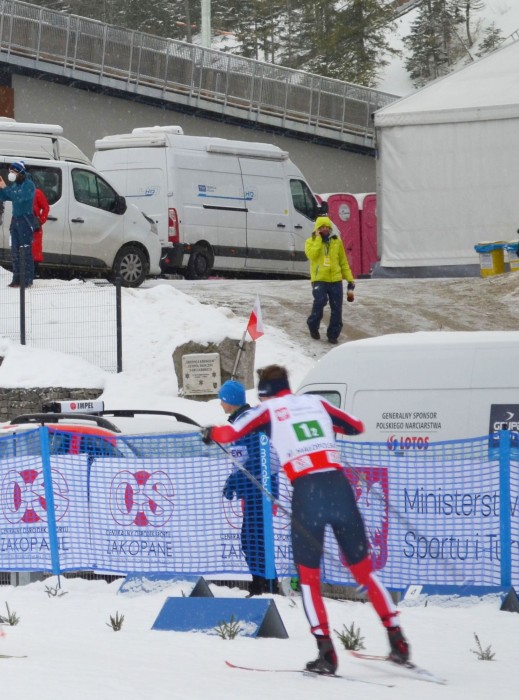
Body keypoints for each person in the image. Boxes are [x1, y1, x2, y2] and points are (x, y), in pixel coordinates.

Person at [205, 364, 410, 674]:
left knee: (310, 580)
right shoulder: (317, 402)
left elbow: (230, 432)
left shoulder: (269, 409)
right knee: (364, 573)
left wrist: (209, 433)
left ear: (263, 391)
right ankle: (398, 641)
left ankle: (326, 653)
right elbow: (356, 426)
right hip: (340, 489)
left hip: (307, 493)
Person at [216, 380, 278, 597]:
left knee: (252, 539)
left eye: (222, 399)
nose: (220, 404)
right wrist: (234, 481)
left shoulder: (244, 423)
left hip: (259, 488)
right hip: (259, 487)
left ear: (230, 401)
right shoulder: (245, 419)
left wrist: (236, 481)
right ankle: (265, 583)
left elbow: (254, 459)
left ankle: (262, 585)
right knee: (256, 537)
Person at [305, 216, 355, 344]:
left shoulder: (336, 241)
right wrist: (317, 240)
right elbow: (312, 255)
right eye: (321, 227)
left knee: (337, 308)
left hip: (336, 280)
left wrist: (350, 279)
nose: (324, 229)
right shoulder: (310, 241)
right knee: (320, 302)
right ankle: (313, 325)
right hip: (319, 279)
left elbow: (343, 262)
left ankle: (333, 334)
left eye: (326, 227)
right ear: (317, 229)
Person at [0, 161, 37, 288]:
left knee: (25, 250)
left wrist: (5, 188)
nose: (11, 174)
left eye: (13, 172)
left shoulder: (29, 185)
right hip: (16, 220)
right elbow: (4, 196)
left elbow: (19, 197)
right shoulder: (15, 184)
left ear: (20, 173)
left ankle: (27, 279)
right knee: (15, 250)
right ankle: (16, 278)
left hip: (26, 219)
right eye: (10, 172)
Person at [32, 185, 50, 266]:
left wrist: (41, 220)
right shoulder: (36, 192)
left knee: (34, 250)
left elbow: (46, 207)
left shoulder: (36, 193)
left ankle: (33, 272)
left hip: (34, 225)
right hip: (31, 224)